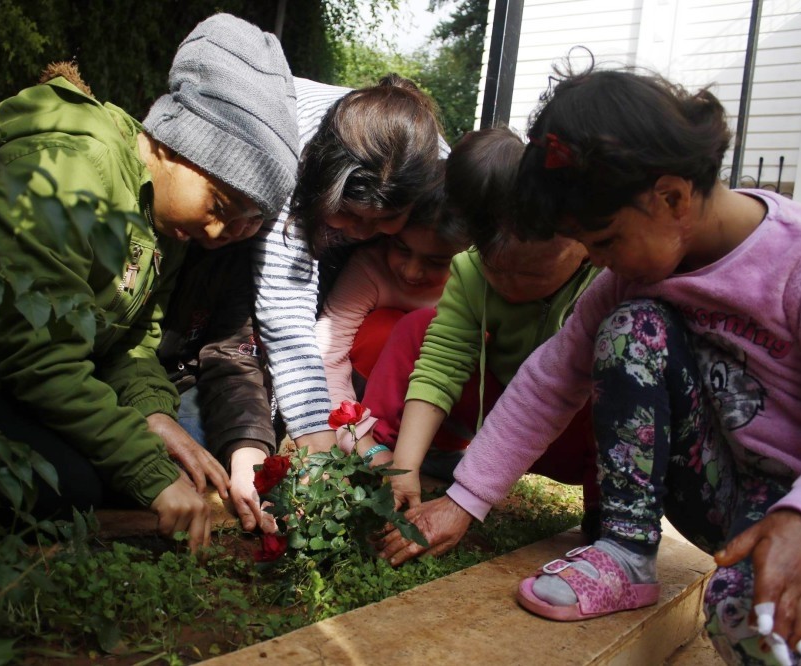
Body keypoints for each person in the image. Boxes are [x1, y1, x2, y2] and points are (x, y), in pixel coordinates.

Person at [378, 66, 801, 665]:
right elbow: (548, 382)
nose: (597, 261)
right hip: (710, 488)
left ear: (671, 197)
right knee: (631, 328)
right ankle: (626, 552)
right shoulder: (630, 283)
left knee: (766, 631)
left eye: (604, 241)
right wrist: (464, 499)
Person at [0, 14, 300, 554]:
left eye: (245, 223)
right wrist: (148, 469)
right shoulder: (76, 171)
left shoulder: (167, 220)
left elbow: (134, 339)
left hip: (31, 368)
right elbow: (40, 359)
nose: (220, 233)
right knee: (68, 488)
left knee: (112, 474)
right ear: (172, 143)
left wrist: (156, 414)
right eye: (218, 206)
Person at [351, 129, 602, 538]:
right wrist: (406, 468)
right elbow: (439, 367)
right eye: (494, 268)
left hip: (575, 437)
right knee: (419, 328)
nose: (507, 284)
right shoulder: (469, 270)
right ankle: (381, 457)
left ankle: (606, 512)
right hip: (499, 420)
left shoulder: (604, 280)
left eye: (529, 274)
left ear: (585, 247)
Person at [252, 73, 447, 458]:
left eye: (384, 221)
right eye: (349, 214)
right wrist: (317, 438)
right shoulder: (291, 159)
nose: (362, 233)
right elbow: (285, 311)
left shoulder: (437, 171)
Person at [314, 162, 468, 452]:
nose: (411, 272)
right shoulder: (370, 267)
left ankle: (441, 450)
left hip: (446, 420)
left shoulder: (473, 283)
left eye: (435, 262)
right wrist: (355, 436)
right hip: (369, 414)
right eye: (401, 249)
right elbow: (328, 351)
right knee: (384, 328)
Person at [157, 238, 277, 533]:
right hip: (127, 384)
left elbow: (232, 357)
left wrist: (248, 452)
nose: (235, 228)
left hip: (181, 379)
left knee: (208, 458)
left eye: (251, 221)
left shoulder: (235, 253)